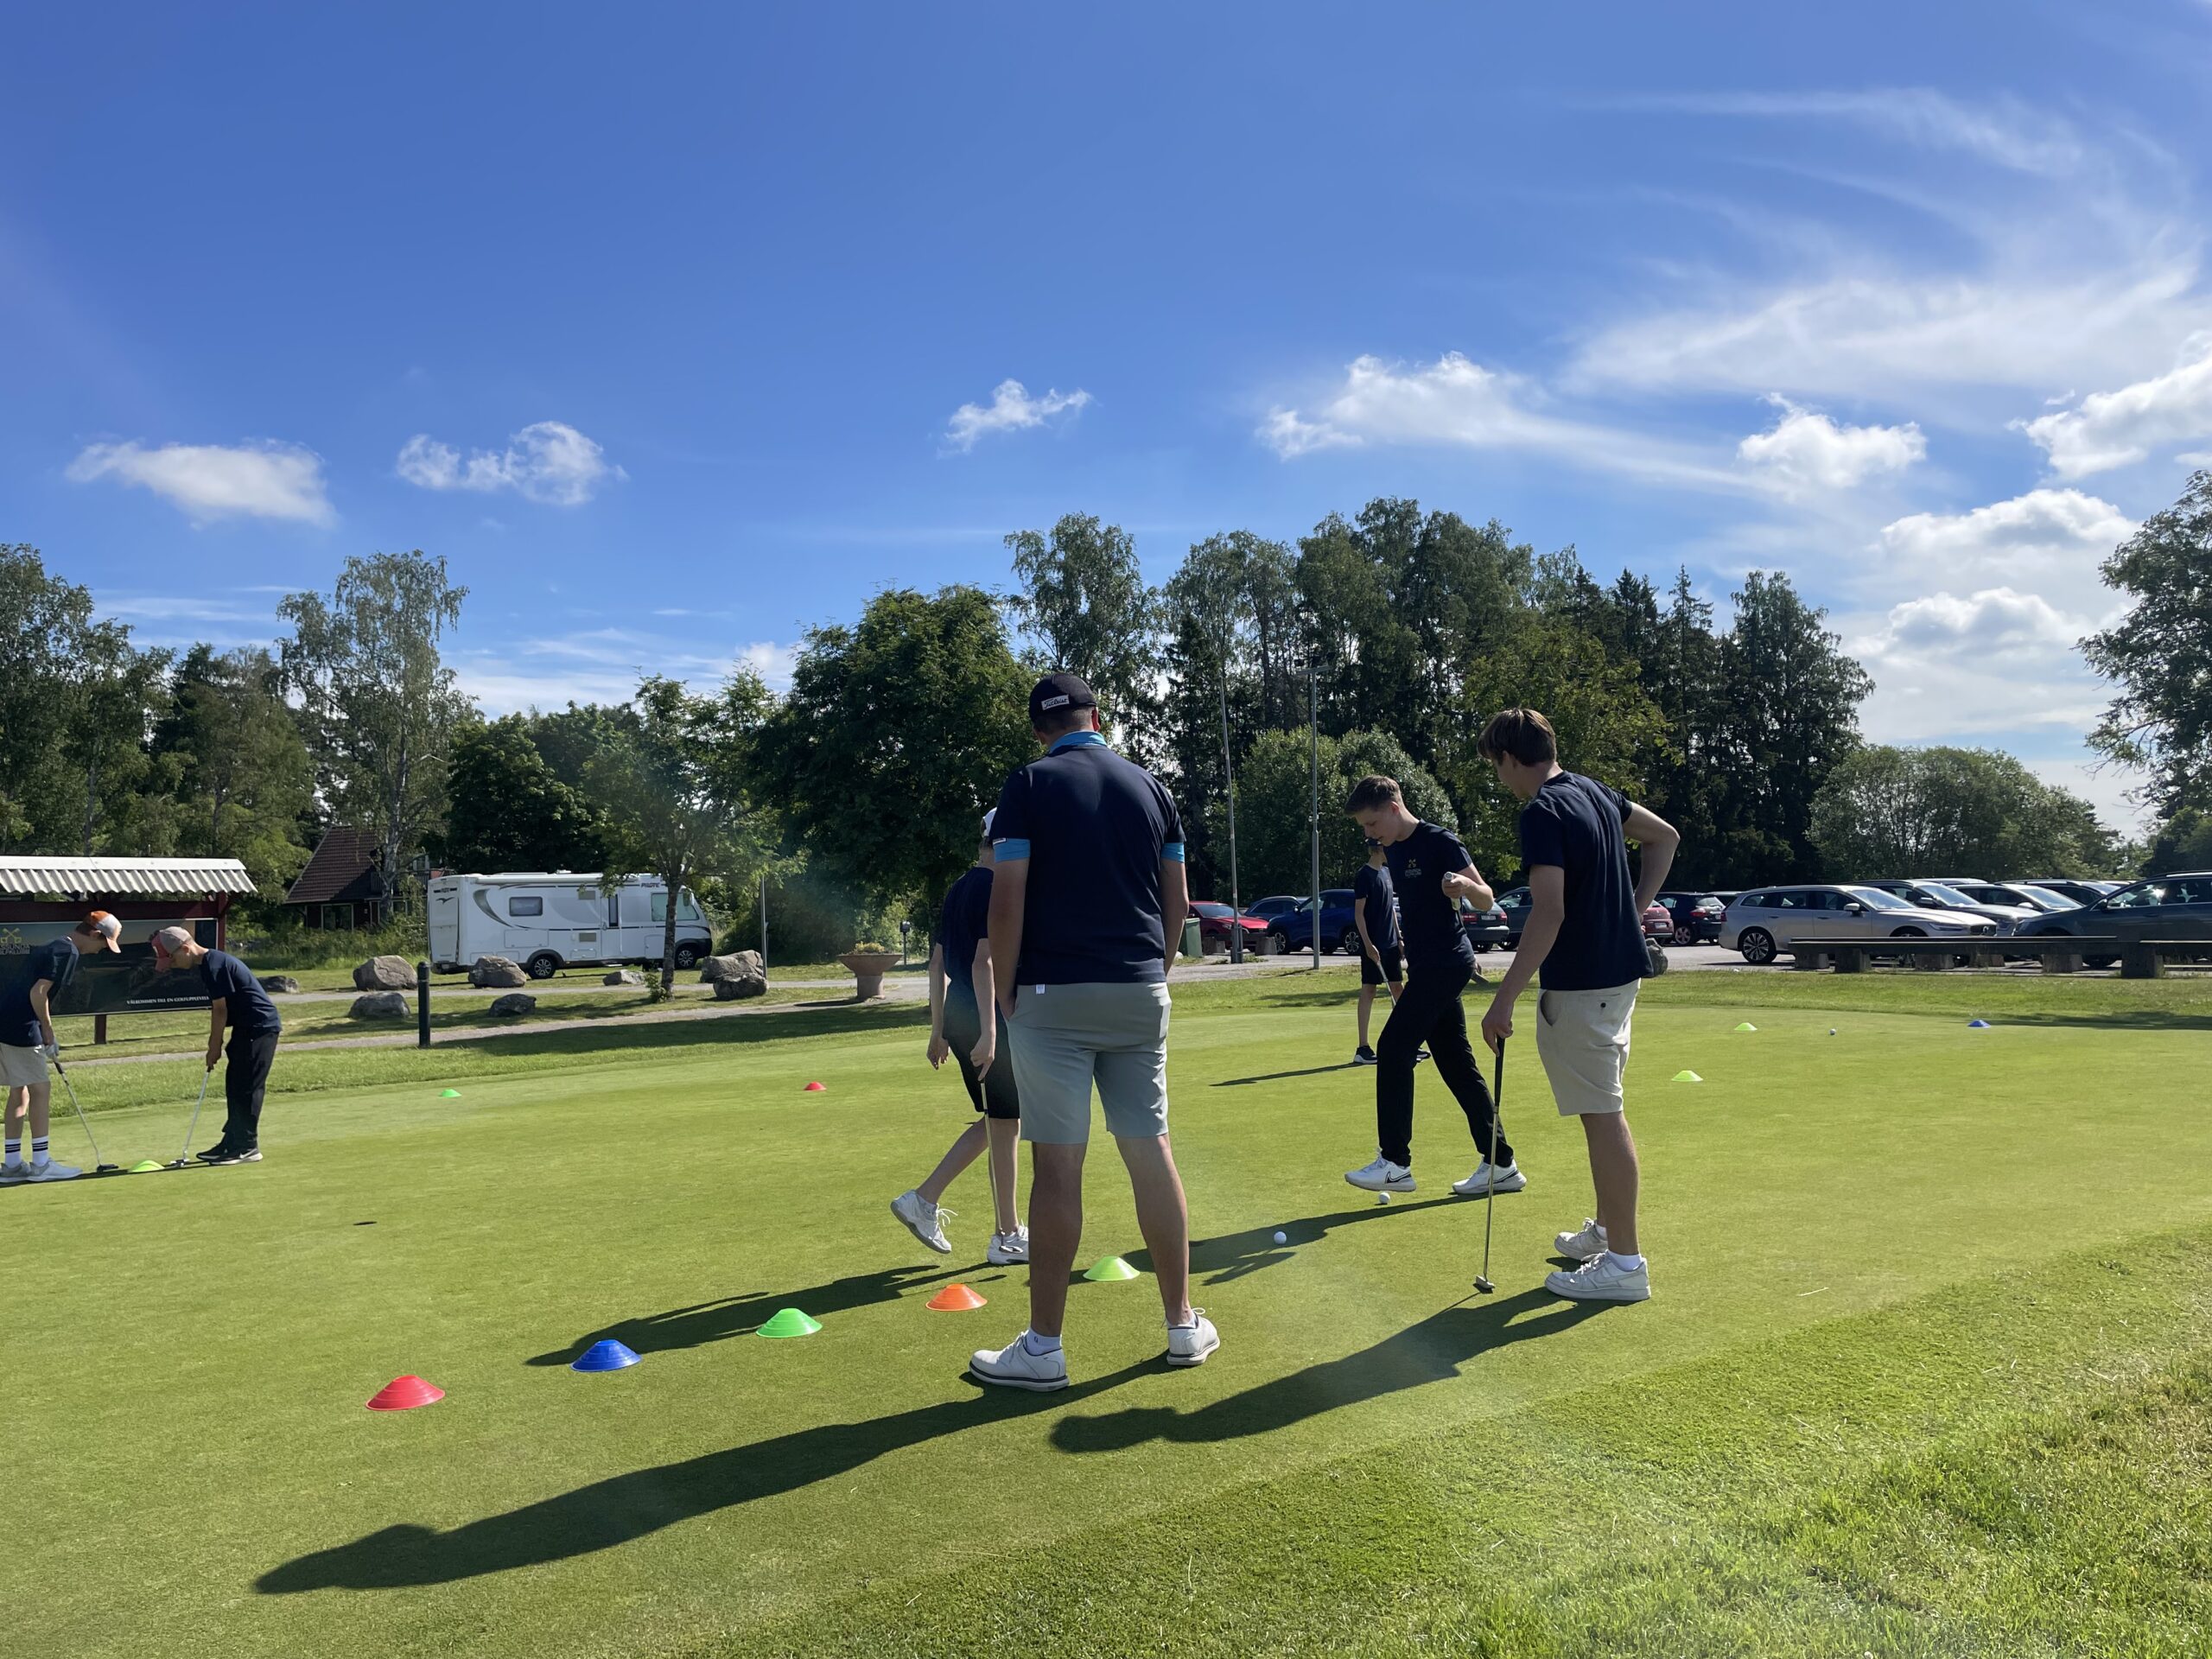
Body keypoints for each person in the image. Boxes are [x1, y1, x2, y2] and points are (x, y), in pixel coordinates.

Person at [969, 673, 1217, 1390]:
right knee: (1151, 1150)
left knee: (1058, 1167)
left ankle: (1044, 1349)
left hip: (1052, 994)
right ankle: (1181, 1325)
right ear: (1096, 717)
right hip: (1139, 989)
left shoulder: (1028, 785)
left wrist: (1009, 993)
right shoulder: (1152, 788)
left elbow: (1006, 902)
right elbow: (1179, 902)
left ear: (1039, 730)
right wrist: (1155, 970)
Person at [1477, 707, 1679, 1304]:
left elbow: (1549, 909)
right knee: (1602, 1108)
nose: (1500, 779)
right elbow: (1664, 837)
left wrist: (1504, 998)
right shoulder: (1591, 791)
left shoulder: (1542, 810)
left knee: (1601, 1115)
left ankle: (1624, 1262)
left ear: (1512, 758)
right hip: (1618, 978)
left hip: (1583, 985)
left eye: (1497, 767)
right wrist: (1633, 909)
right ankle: (1609, 1232)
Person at [1342, 776, 1516, 1198]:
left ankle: (1396, 1163)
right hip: (1425, 967)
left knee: (1395, 1046)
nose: (1368, 835)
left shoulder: (1440, 841)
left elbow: (1487, 897)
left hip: (1448, 963)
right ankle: (1502, 1163)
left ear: (1393, 809)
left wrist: (1465, 886)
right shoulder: (1393, 850)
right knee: (1456, 1063)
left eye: (1370, 824)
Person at [891, 810, 1028, 1266]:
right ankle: (1003, 1233)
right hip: (987, 1020)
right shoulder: (993, 887)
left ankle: (933, 1204)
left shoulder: (957, 888)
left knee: (1000, 1122)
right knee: (1004, 1123)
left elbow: (936, 964)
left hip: (961, 1017)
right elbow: (982, 961)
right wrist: (990, 1032)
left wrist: (937, 1031)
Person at [0, 912, 122, 1185]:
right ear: (94, 934)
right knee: (40, 1089)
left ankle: (12, 1165)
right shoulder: (68, 951)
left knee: (20, 1090)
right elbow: (38, 992)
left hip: (6, 1022)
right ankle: (41, 1165)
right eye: (103, 944)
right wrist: (47, 1030)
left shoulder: (56, 944)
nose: (100, 949)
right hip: (22, 1024)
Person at [150, 926, 283, 1166]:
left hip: (261, 1027)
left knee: (247, 1087)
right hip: (246, 1028)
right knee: (234, 1085)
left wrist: (214, 1046)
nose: (171, 964)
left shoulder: (214, 965)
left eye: (171, 958)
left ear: (186, 948)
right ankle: (232, 1141)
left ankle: (247, 1147)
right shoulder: (209, 964)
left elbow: (220, 1010)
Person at [1350, 838, 1403, 1065]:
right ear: (1379, 849)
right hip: (1373, 945)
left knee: (1398, 990)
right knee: (1369, 990)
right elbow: (1359, 914)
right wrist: (1368, 944)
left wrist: (1399, 936)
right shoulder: (1365, 875)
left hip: (1391, 943)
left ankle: (1406, 1040)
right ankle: (1363, 1048)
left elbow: (1390, 908)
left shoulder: (1387, 873)